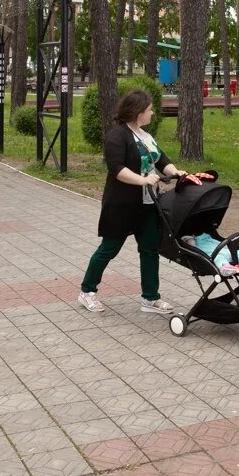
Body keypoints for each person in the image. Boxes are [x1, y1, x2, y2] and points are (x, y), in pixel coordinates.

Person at [78, 90, 187, 314]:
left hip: (148, 205)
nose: (152, 113)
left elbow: (162, 160)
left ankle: (150, 298)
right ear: (138, 113)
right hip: (121, 204)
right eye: (149, 110)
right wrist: (143, 180)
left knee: (149, 248)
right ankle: (87, 291)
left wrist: (176, 172)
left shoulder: (145, 135)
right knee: (109, 248)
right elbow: (117, 169)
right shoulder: (117, 136)